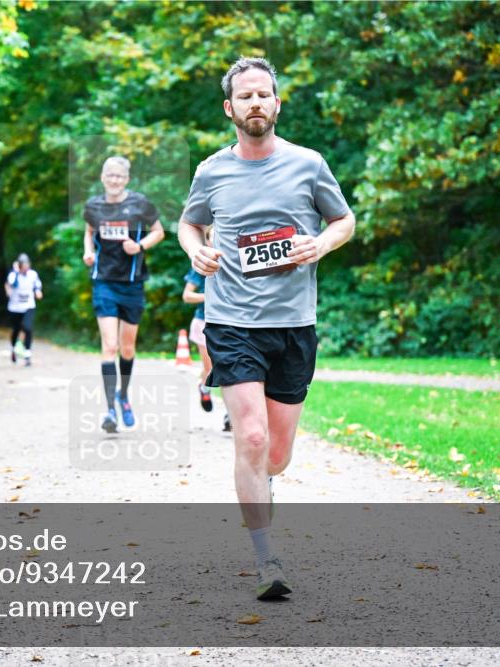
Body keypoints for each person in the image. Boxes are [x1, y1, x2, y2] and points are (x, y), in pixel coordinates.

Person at [177, 57, 355, 600]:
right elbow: (189, 222)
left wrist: (319, 244)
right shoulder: (212, 171)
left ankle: (266, 481)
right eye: (245, 96)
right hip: (231, 321)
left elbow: (343, 220)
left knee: (276, 453)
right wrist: (197, 249)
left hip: (294, 325)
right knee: (250, 437)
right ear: (230, 108)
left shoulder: (308, 164)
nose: (256, 103)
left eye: (264, 94)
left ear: (277, 104)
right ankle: (266, 560)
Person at [83, 156, 165, 433]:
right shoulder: (94, 205)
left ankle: (123, 396)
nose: (114, 180)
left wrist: (139, 246)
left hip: (132, 283)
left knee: (127, 347)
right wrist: (89, 251)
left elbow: (159, 232)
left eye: (119, 176)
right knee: (109, 346)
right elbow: (89, 231)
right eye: (110, 175)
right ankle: (109, 410)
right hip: (104, 281)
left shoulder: (140, 203)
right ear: (102, 176)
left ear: (126, 179)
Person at [181, 227, 231, 430]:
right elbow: (187, 296)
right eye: (213, 238)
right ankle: (204, 387)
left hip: (229, 322)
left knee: (231, 370)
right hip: (203, 322)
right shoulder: (201, 264)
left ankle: (230, 416)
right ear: (208, 241)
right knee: (211, 369)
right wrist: (209, 296)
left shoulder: (233, 263)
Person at [6, 253, 43, 366]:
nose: (26, 267)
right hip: (15, 308)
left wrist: (37, 291)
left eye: (28, 264)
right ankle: (13, 348)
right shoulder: (13, 275)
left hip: (28, 306)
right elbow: (14, 285)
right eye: (24, 265)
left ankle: (27, 353)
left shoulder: (33, 274)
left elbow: (37, 285)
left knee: (28, 328)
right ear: (20, 265)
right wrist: (17, 271)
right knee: (16, 330)